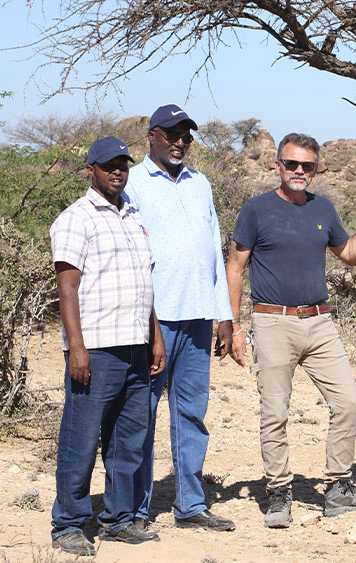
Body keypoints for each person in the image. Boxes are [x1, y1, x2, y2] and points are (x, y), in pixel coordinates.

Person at [226, 133, 356, 526]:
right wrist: (233, 327)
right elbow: (234, 267)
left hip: (319, 322)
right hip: (272, 320)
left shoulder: (324, 208)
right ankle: (279, 494)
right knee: (274, 412)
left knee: (348, 402)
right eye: (291, 164)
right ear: (277, 165)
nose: (299, 171)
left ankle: (338, 488)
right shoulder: (256, 210)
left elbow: (349, 255)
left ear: (316, 169)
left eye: (307, 166)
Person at [49, 137, 167, 555]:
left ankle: (119, 519)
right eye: (108, 165)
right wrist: (76, 349)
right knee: (80, 439)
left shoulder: (133, 215)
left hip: (135, 344)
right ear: (91, 170)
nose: (118, 171)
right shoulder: (75, 218)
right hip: (95, 349)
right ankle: (68, 523)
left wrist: (155, 336)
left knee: (128, 438)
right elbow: (68, 288)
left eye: (123, 164)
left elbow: (145, 283)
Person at [125, 104, 236, 532]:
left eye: (186, 135)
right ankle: (134, 509)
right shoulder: (132, 182)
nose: (179, 142)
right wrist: (146, 319)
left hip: (198, 317)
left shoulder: (199, 182)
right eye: (171, 134)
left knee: (192, 413)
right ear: (152, 135)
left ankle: (190, 505)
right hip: (154, 320)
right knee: (143, 413)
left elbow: (213, 249)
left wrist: (223, 315)